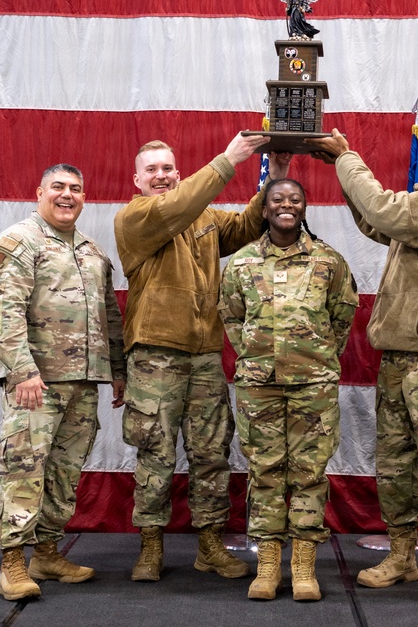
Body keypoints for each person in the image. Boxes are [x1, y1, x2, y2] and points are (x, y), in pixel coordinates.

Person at [309, 127, 418, 607]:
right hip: (396, 359)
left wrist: (346, 157)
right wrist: (343, 175)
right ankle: (402, 556)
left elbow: (387, 211)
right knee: (394, 466)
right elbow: (376, 223)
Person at [114, 133, 288, 582]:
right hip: (155, 354)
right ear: (137, 180)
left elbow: (249, 226)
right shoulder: (134, 217)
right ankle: (151, 545)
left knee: (212, 453)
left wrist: (278, 175)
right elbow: (175, 209)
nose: (161, 176)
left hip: (205, 354)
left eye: (167, 168)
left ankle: (209, 544)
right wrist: (228, 160)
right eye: (151, 169)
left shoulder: (205, 217)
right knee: (155, 451)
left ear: (177, 172)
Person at [0, 163, 126, 601]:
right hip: (37, 382)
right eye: (59, 187)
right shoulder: (19, 241)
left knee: (65, 472)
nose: (68, 195)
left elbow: (110, 316)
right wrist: (22, 370)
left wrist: (118, 370)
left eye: (76, 189)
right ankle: (12, 563)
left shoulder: (93, 252)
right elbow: (4, 311)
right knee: (24, 469)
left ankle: (46, 552)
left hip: (84, 383)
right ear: (40, 192)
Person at [218, 178, 358, 602]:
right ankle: (266, 566)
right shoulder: (241, 262)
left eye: (295, 199)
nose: (286, 205)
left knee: (308, 473)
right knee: (264, 472)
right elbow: (231, 317)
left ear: (304, 207)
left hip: (312, 387)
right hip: (259, 387)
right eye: (277, 199)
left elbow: (343, 315)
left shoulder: (328, 261)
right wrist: (256, 356)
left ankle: (302, 566)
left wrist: (314, 358)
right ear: (264, 208)